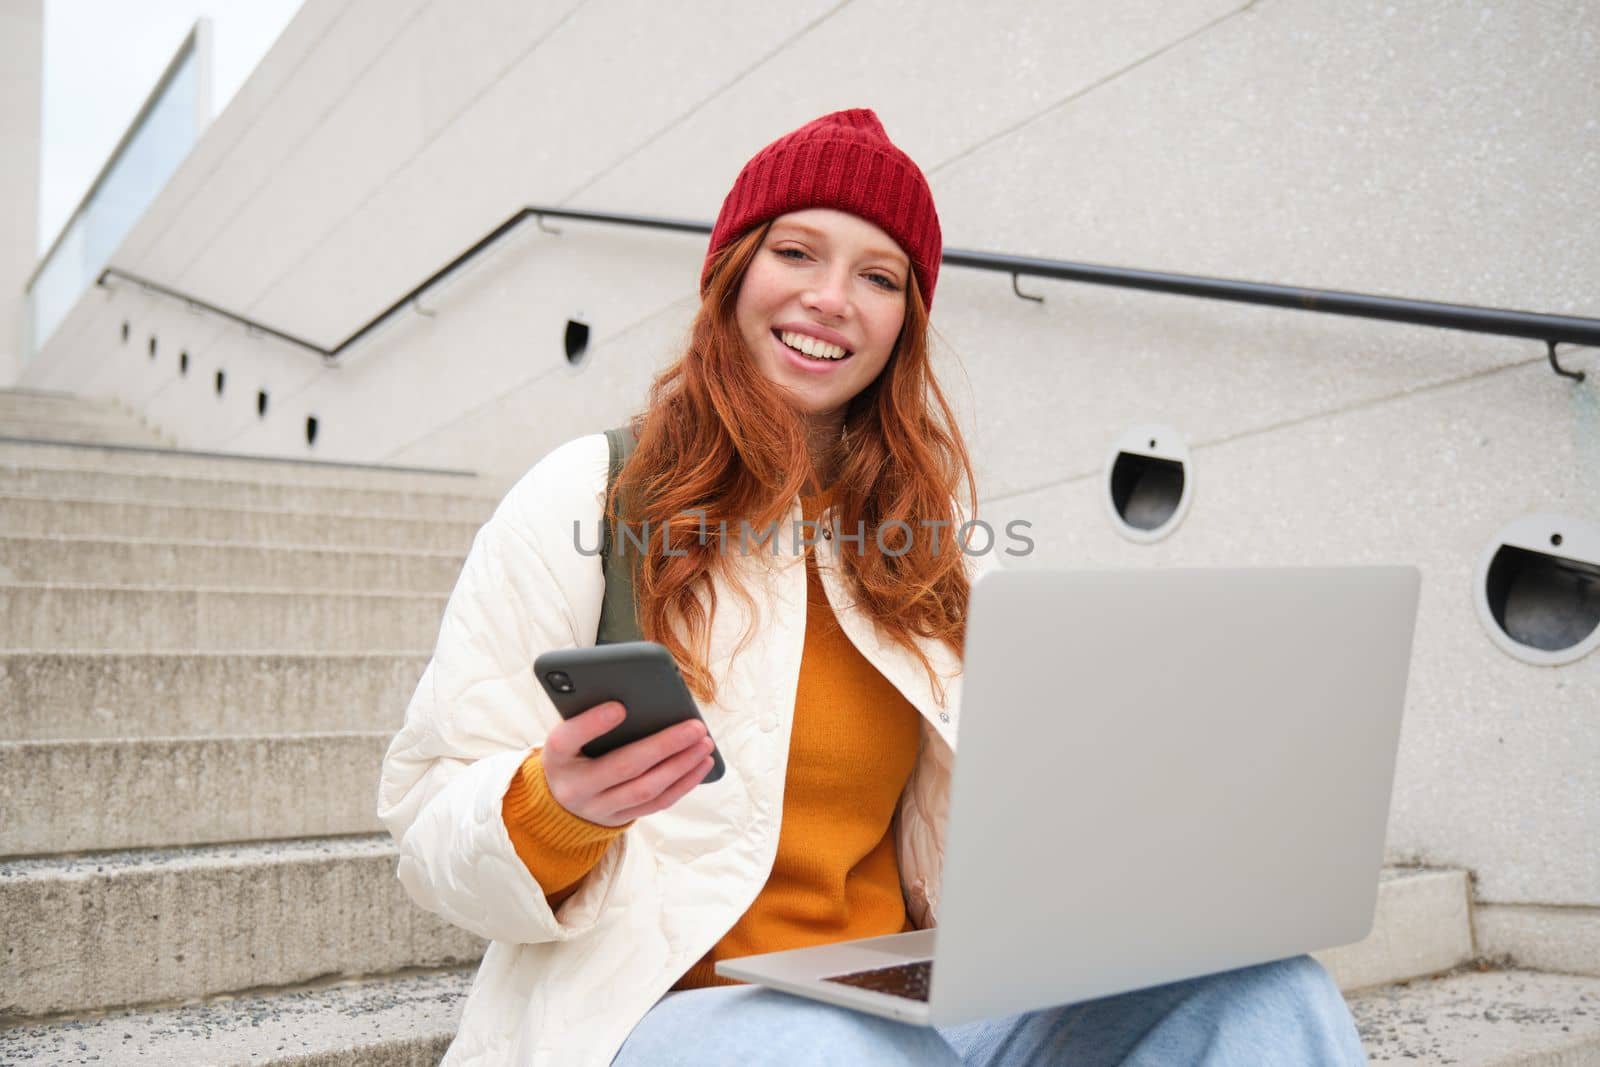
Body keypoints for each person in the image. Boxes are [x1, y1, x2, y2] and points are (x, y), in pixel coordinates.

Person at [377, 109, 1367, 1067]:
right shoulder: (588, 495)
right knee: (832, 1047)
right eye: (795, 252)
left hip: (903, 1005)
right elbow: (428, 823)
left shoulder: (935, 549)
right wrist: (554, 804)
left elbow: (998, 826)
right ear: (731, 273)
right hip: (664, 1009)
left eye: (877, 275)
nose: (830, 298)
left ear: (905, 319)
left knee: (1264, 989)